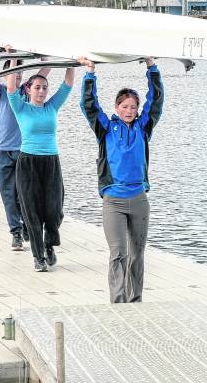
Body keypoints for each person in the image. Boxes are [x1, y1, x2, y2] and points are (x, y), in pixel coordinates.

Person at [78, 57, 164, 303]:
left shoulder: (143, 127)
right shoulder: (105, 128)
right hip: (113, 201)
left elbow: (156, 102)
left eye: (133, 107)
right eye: (125, 106)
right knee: (118, 254)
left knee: (137, 254)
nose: (129, 111)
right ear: (117, 108)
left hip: (139, 200)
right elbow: (89, 106)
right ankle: (118, 302)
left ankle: (135, 300)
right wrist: (90, 72)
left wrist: (152, 67)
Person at [6, 60, 74, 272]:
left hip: (51, 162)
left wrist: (70, 61)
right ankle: (38, 256)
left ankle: (49, 244)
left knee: (54, 210)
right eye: (37, 87)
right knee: (32, 212)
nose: (42, 91)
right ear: (28, 89)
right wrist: (13, 58)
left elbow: (68, 84)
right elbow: (10, 86)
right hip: (28, 163)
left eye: (45, 88)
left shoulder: (52, 106)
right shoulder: (20, 107)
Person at [0, 52, 51, 251]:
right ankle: (16, 232)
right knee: (8, 194)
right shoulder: (1, 91)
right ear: (6, 74)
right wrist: (7, 55)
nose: (18, 77)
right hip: (3, 150)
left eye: (21, 73)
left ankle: (26, 226)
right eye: (14, 73)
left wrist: (44, 52)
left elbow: (44, 71)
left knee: (24, 193)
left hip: (23, 151)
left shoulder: (27, 92)